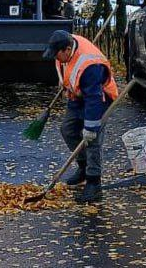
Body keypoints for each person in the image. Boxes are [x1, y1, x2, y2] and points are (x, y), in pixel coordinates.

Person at [42, 29, 118, 203]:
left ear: (68, 50)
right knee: (67, 130)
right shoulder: (65, 48)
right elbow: (67, 70)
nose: (55, 58)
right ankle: (83, 167)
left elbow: (94, 99)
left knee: (92, 140)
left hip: (99, 99)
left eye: (57, 54)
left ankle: (94, 183)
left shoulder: (90, 66)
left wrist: (91, 127)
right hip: (77, 95)